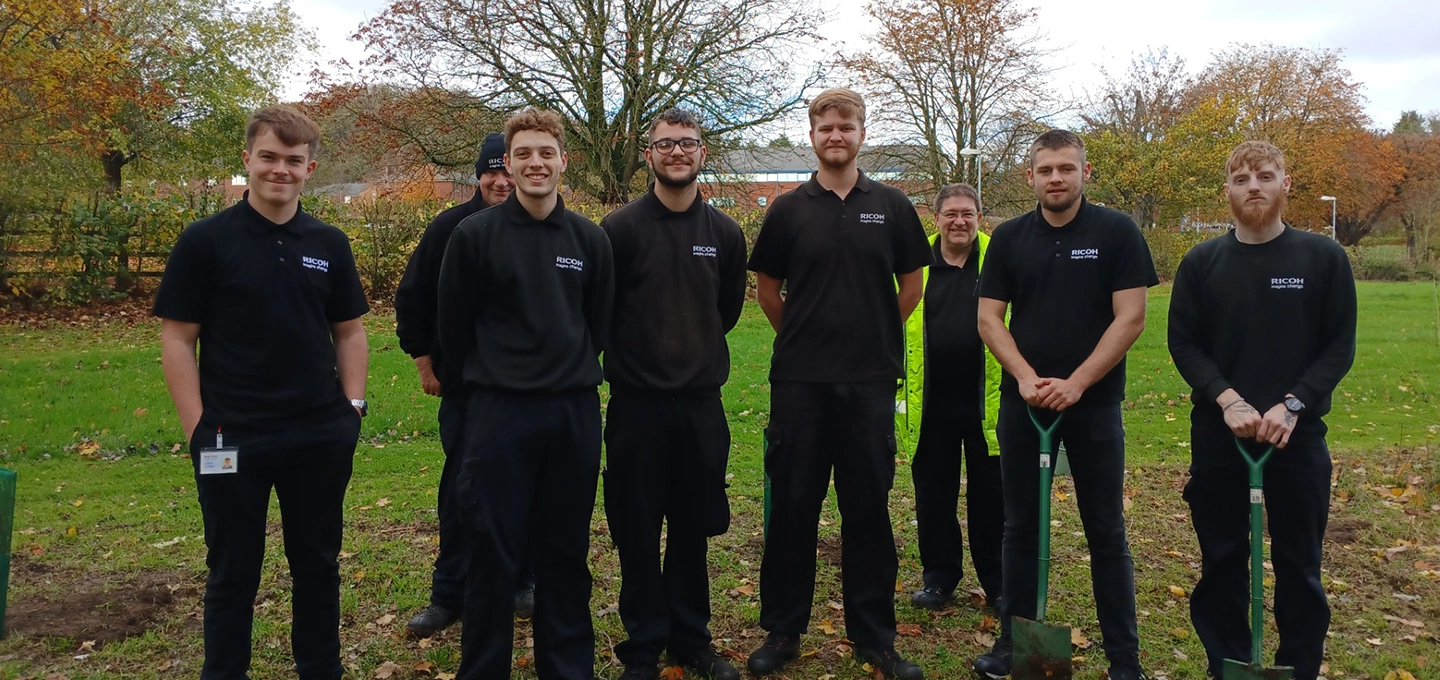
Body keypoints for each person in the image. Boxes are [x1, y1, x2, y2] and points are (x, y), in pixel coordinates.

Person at [154, 105, 370, 680]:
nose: (281, 169)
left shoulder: (329, 241)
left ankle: (320, 668)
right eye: (269, 157)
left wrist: (352, 408)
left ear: (310, 168)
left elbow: (349, 331)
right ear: (247, 160)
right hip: (231, 436)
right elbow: (177, 339)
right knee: (232, 568)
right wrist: (198, 428)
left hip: (318, 434)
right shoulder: (205, 242)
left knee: (318, 564)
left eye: (293, 161)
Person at [745, 87, 932, 680]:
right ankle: (783, 630)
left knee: (867, 511)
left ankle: (874, 637)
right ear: (812, 134)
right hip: (799, 383)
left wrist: (873, 336)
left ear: (861, 133)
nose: (836, 136)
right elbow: (768, 292)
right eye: (826, 127)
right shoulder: (787, 209)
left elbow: (911, 285)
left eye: (846, 127)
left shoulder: (895, 206)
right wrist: (804, 337)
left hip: (870, 384)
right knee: (794, 507)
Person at [973, 129, 1158, 680]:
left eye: (1066, 169)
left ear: (1085, 172)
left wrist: (1077, 383)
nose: (1057, 178)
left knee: (1105, 529)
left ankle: (1124, 658)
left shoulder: (1117, 231)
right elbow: (988, 318)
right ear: (1030, 176)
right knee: (1020, 527)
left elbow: (1131, 317)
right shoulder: (1008, 237)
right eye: (1046, 169)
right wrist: (1026, 377)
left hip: (1094, 406)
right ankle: (1013, 643)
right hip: (1024, 404)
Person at [436, 107, 613, 680]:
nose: (535, 163)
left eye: (545, 153)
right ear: (507, 165)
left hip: (571, 416)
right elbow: (452, 330)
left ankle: (566, 669)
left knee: (564, 553)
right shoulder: (474, 236)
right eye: (523, 154)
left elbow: (599, 323)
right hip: (498, 415)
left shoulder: (589, 239)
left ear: (565, 160)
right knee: (492, 553)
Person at [1168, 140, 1356, 680]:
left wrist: (1293, 405)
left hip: (1297, 437)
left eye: (1265, 176)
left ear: (1285, 184)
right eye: (1242, 179)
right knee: (1223, 561)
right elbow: (1184, 343)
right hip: (1220, 436)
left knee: (1300, 565)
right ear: (1226, 189)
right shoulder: (1202, 263)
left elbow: (1338, 346)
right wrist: (1227, 400)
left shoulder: (1322, 258)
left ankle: (1297, 667)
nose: (1254, 187)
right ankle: (1227, 664)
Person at [600, 108, 747, 680]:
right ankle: (642, 643)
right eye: (665, 144)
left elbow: (727, 310)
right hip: (636, 406)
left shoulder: (725, 233)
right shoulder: (619, 230)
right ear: (649, 155)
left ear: (702, 153)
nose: (677, 152)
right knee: (636, 530)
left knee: (692, 528)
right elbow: (602, 310)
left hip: (699, 407)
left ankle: (691, 639)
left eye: (687, 143)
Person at [394, 132, 536, 637]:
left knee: (524, 491)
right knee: (462, 492)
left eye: (507, 169)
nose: (500, 180)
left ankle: (524, 581)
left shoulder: (539, 226)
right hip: (466, 393)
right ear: (479, 175)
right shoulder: (450, 227)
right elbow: (412, 301)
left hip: (524, 392)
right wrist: (426, 365)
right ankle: (447, 595)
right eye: (491, 171)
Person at [896, 183, 1004, 612]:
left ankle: (998, 584)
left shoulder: (1000, 258)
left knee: (992, 499)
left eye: (968, 214)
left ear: (980, 217)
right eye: (951, 214)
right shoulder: (912, 263)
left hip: (989, 404)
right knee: (934, 496)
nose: (959, 221)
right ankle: (939, 578)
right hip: (930, 405)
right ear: (935, 217)